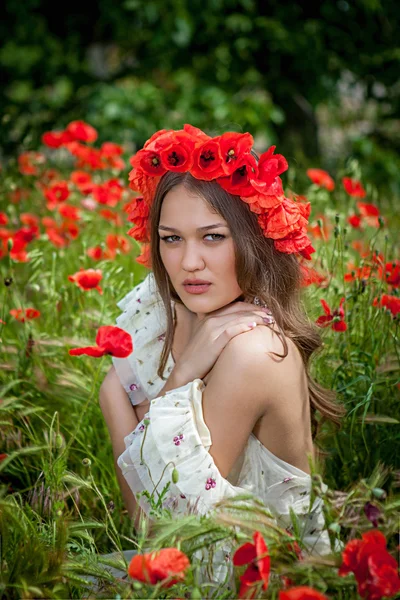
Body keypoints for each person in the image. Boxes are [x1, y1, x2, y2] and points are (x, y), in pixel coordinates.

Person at [98, 125, 345, 587]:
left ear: (254, 239)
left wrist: (177, 379)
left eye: (212, 237)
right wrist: (114, 394)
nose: (189, 262)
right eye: (171, 239)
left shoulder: (252, 350)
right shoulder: (168, 319)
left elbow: (163, 538)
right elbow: (141, 525)